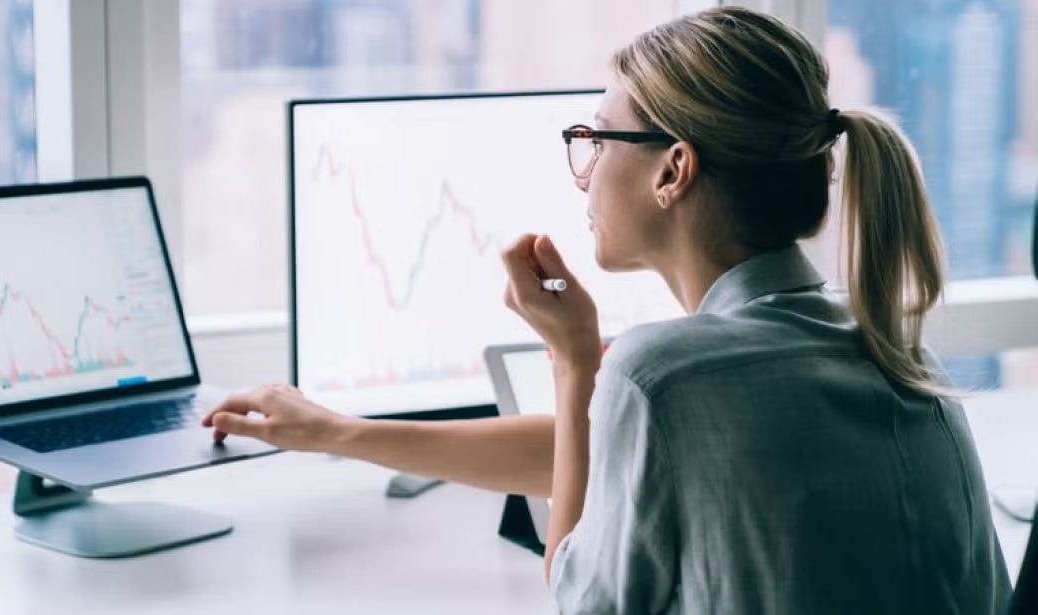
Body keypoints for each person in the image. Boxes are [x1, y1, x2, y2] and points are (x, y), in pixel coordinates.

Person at [203, 6, 1010, 614]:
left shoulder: (662, 374)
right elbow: (628, 456)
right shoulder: (902, 363)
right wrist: (339, 432)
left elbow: (576, 594)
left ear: (674, 171)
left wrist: (575, 361)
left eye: (597, 138)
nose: (582, 171)